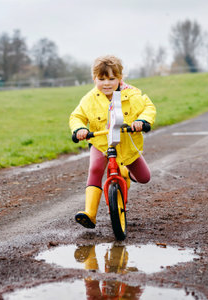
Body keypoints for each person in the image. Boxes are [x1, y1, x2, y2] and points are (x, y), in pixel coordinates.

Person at [69, 55, 156, 229]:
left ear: (120, 78)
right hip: (101, 143)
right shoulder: (89, 99)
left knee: (144, 177)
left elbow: (148, 107)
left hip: (126, 144)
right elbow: (77, 116)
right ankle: (90, 213)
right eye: (101, 79)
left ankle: (125, 173)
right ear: (94, 79)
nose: (106, 83)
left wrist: (143, 121)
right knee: (95, 169)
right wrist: (79, 129)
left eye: (111, 78)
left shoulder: (131, 94)